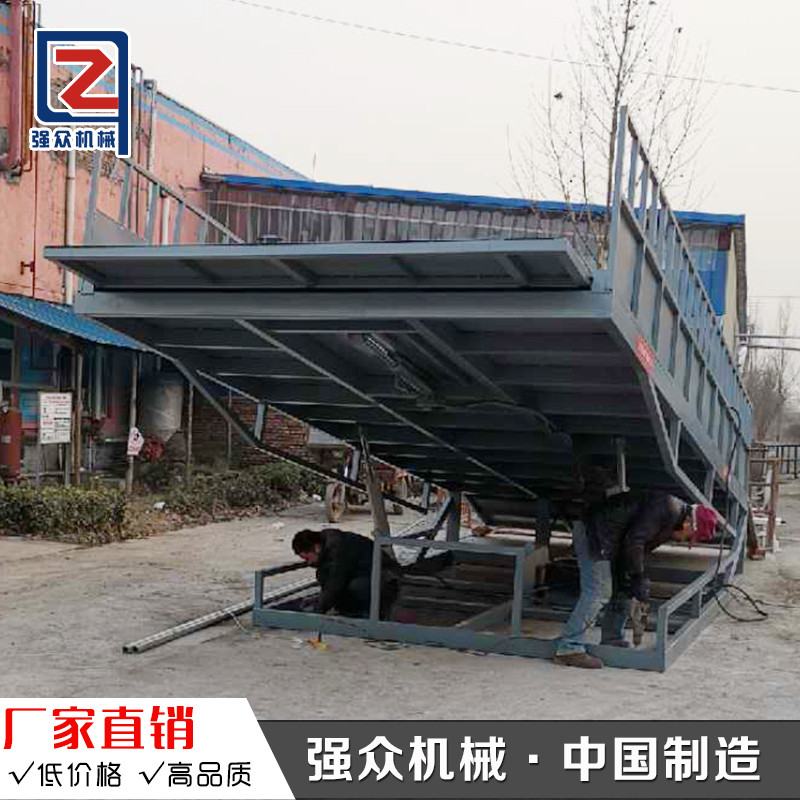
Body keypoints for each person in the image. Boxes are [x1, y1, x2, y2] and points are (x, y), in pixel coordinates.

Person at [553, 491, 718, 669]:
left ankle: (612, 640)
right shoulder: (666, 509)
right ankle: (569, 648)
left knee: (623, 589)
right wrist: (638, 576)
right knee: (599, 590)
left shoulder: (671, 520)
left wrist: (634, 581)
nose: (685, 542)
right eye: (689, 537)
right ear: (688, 524)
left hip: (613, 540)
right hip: (595, 532)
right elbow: (635, 542)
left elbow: (638, 548)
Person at [291, 528, 400, 619]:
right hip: (363, 572)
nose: (308, 562)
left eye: (307, 558)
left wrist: (318, 610)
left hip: (385, 577)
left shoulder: (339, 548)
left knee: (356, 586)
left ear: (316, 548)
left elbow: (335, 581)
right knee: (322, 574)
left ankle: (370, 613)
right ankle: (348, 609)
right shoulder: (328, 545)